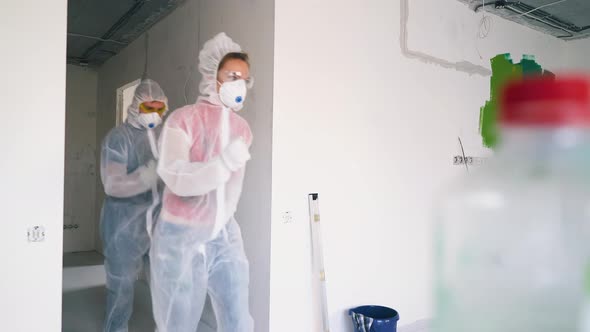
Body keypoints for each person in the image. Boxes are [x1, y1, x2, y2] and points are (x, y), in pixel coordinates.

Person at [150, 32, 254, 332]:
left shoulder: (242, 129)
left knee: (237, 319)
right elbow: (176, 176)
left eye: (245, 79)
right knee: (178, 323)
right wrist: (221, 163)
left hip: (224, 236)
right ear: (213, 75)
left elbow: (234, 191)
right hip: (180, 238)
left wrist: (222, 221)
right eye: (233, 75)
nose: (240, 84)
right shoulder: (183, 119)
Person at [99, 79, 168, 332]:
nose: (155, 114)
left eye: (160, 109)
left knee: (165, 287)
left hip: (159, 224)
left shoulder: (162, 137)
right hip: (124, 227)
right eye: (149, 108)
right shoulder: (118, 138)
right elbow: (112, 185)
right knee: (121, 289)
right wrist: (147, 175)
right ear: (136, 106)